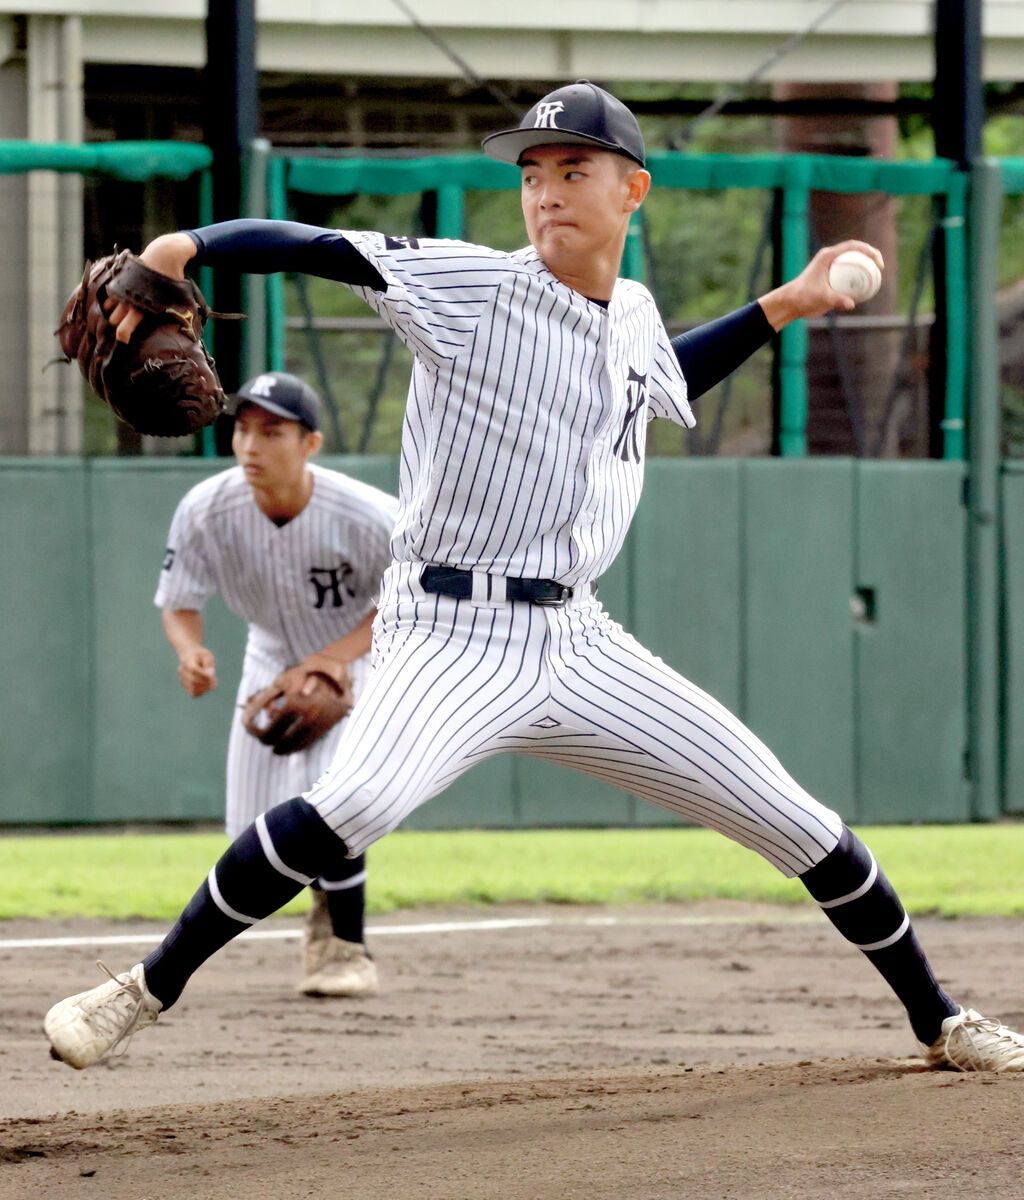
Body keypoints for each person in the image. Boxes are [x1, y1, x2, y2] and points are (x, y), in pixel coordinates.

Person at [45, 80, 1024, 1073]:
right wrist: (183, 251)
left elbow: (666, 379)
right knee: (353, 806)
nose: (546, 189)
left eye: (572, 169)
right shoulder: (474, 289)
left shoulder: (632, 313)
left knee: (792, 816)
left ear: (632, 190)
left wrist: (793, 300)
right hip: (445, 632)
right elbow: (321, 248)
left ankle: (940, 1019)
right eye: (532, 173)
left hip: (578, 639)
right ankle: (142, 990)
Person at [157, 370, 398, 997]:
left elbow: (410, 599)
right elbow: (179, 599)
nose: (250, 446)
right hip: (268, 657)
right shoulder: (207, 509)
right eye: (242, 428)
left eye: (272, 431)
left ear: (310, 444)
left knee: (339, 796)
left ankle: (347, 948)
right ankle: (323, 900)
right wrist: (191, 651)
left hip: (355, 652)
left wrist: (333, 660)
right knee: (253, 831)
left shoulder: (368, 514)